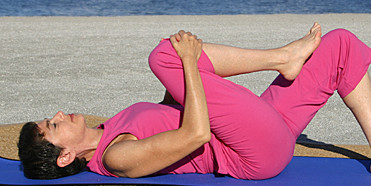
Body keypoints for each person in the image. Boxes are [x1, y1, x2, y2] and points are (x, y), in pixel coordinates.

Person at [18, 23, 371, 180]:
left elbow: (169, 111)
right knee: (164, 57)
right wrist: (188, 63)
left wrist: (183, 81)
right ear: (65, 156)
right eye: (53, 125)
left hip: (254, 128)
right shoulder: (115, 156)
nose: (60, 114)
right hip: (251, 151)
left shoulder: (108, 127)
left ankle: (286, 58)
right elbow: (196, 135)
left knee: (339, 44)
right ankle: (282, 57)